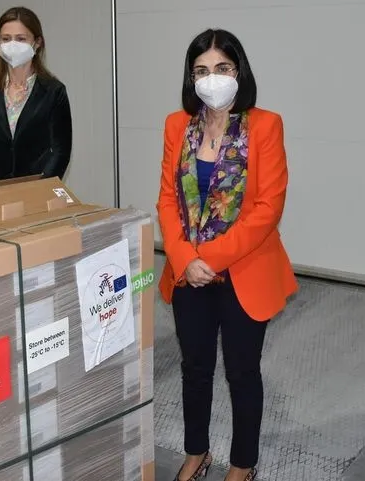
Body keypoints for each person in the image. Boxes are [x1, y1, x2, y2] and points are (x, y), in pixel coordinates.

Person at [157, 29, 297, 481]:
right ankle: (197, 452)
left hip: (243, 270)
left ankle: (243, 463)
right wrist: (183, 259)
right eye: (201, 70)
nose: (211, 78)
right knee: (195, 369)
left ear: (239, 72)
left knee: (242, 372)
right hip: (187, 272)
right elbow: (166, 200)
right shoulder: (177, 126)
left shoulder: (265, 125)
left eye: (222, 68)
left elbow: (266, 208)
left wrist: (209, 259)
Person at [0, 6, 72, 182]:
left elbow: (60, 152)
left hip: (37, 193)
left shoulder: (54, 92)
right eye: (6, 39)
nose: (12, 45)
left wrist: (40, 189)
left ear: (37, 43)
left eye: (21, 39)